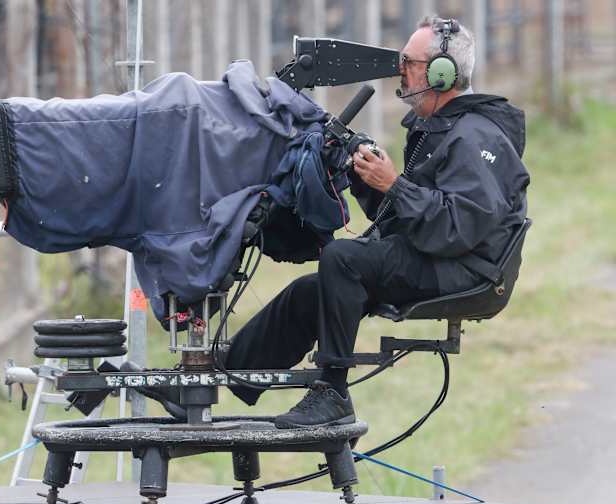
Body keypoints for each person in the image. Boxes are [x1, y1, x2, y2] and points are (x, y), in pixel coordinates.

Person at [221, 16, 531, 428]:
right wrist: (363, 176)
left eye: (410, 61)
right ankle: (227, 375)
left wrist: (395, 185)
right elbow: (408, 219)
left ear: (442, 74)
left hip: (465, 268)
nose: (400, 69)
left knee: (342, 259)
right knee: (309, 292)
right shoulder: (443, 128)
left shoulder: (476, 137)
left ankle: (333, 393)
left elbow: (457, 228)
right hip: (439, 255)